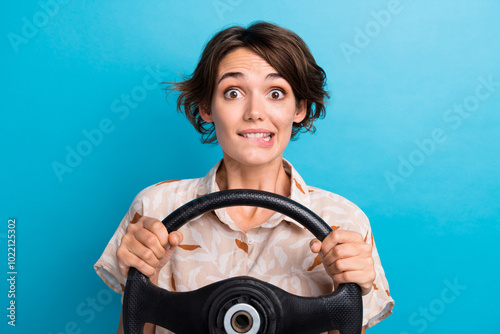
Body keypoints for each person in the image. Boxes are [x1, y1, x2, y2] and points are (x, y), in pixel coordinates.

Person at [94, 21, 394, 334]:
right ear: (207, 107)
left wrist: (348, 285)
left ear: (300, 108)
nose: (255, 112)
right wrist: (145, 274)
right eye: (233, 92)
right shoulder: (157, 207)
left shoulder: (343, 221)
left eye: (276, 93)